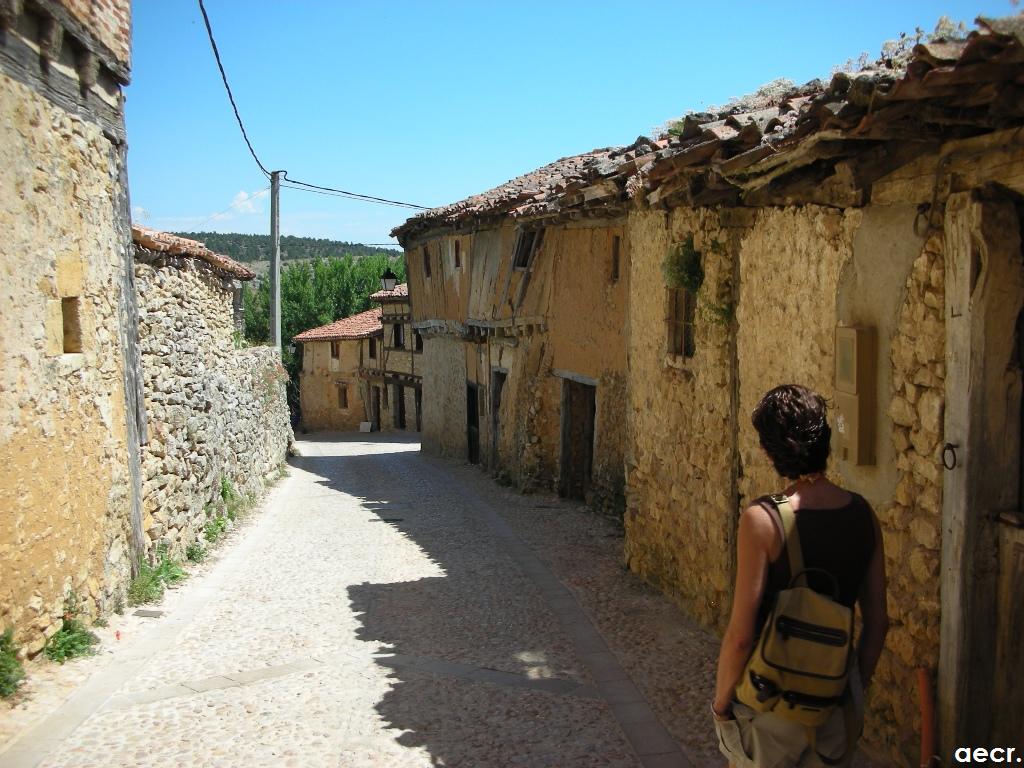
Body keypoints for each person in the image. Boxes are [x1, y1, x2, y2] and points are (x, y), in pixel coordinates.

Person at [712, 384, 889, 767]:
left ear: (769, 452)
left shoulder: (763, 521)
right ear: (824, 440)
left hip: (771, 707)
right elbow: (878, 623)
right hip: (834, 709)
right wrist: (850, 689)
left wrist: (721, 705)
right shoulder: (863, 515)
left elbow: (741, 637)